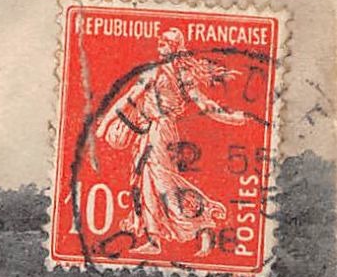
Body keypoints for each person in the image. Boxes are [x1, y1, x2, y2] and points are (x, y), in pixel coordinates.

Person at [93, 28, 254, 256]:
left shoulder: (157, 73)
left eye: (166, 41)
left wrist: (102, 126)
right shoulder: (182, 75)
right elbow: (205, 105)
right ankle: (154, 240)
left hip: (158, 132)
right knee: (147, 184)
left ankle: (203, 222)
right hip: (158, 132)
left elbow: (127, 100)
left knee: (162, 184)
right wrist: (232, 118)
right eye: (160, 40)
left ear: (175, 47)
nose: (161, 43)